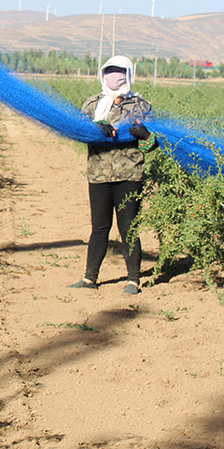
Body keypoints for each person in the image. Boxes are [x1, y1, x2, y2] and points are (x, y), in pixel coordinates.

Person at [70, 55, 157, 295]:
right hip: (98, 175)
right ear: (103, 74)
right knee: (99, 227)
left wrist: (145, 135)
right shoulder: (92, 105)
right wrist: (95, 128)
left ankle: (133, 280)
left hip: (130, 175)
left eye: (120, 71)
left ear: (129, 74)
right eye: (110, 71)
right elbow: (78, 133)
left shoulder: (141, 106)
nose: (114, 76)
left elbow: (152, 145)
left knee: (128, 227)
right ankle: (90, 278)